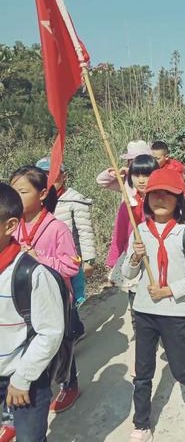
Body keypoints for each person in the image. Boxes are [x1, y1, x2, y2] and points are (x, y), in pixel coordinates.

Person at [122, 169, 185, 442]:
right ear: (147, 197)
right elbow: (127, 274)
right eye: (155, 193)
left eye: (167, 194)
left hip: (175, 312)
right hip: (145, 311)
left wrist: (169, 290)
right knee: (143, 371)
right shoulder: (139, 232)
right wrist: (136, 259)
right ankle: (141, 424)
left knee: (178, 367)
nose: (160, 199)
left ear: (178, 201)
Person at [9, 167, 81, 414]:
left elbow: (71, 266)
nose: (16, 197)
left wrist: (40, 258)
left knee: (61, 345)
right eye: (13, 192)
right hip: (21, 302)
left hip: (55, 299)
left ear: (41, 195)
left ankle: (69, 383)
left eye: (22, 191)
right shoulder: (12, 227)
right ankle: (14, 410)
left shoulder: (56, 227)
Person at [0, 183, 64, 442]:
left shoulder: (30, 274)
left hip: (24, 376)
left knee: (30, 438)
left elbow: (50, 332)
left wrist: (22, 378)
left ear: (10, 225)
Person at [106, 154, 159, 333]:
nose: (142, 180)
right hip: (134, 257)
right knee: (135, 295)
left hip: (159, 257)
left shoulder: (164, 201)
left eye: (147, 175)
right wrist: (113, 262)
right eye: (137, 175)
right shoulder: (128, 205)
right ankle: (140, 330)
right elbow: (119, 235)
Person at [36, 157, 96, 308]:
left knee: (74, 296)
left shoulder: (74, 199)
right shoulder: (36, 200)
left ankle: (74, 326)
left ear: (64, 176)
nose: (50, 180)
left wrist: (88, 260)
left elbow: (85, 230)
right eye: (44, 176)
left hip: (70, 257)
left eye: (55, 175)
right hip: (46, 256)